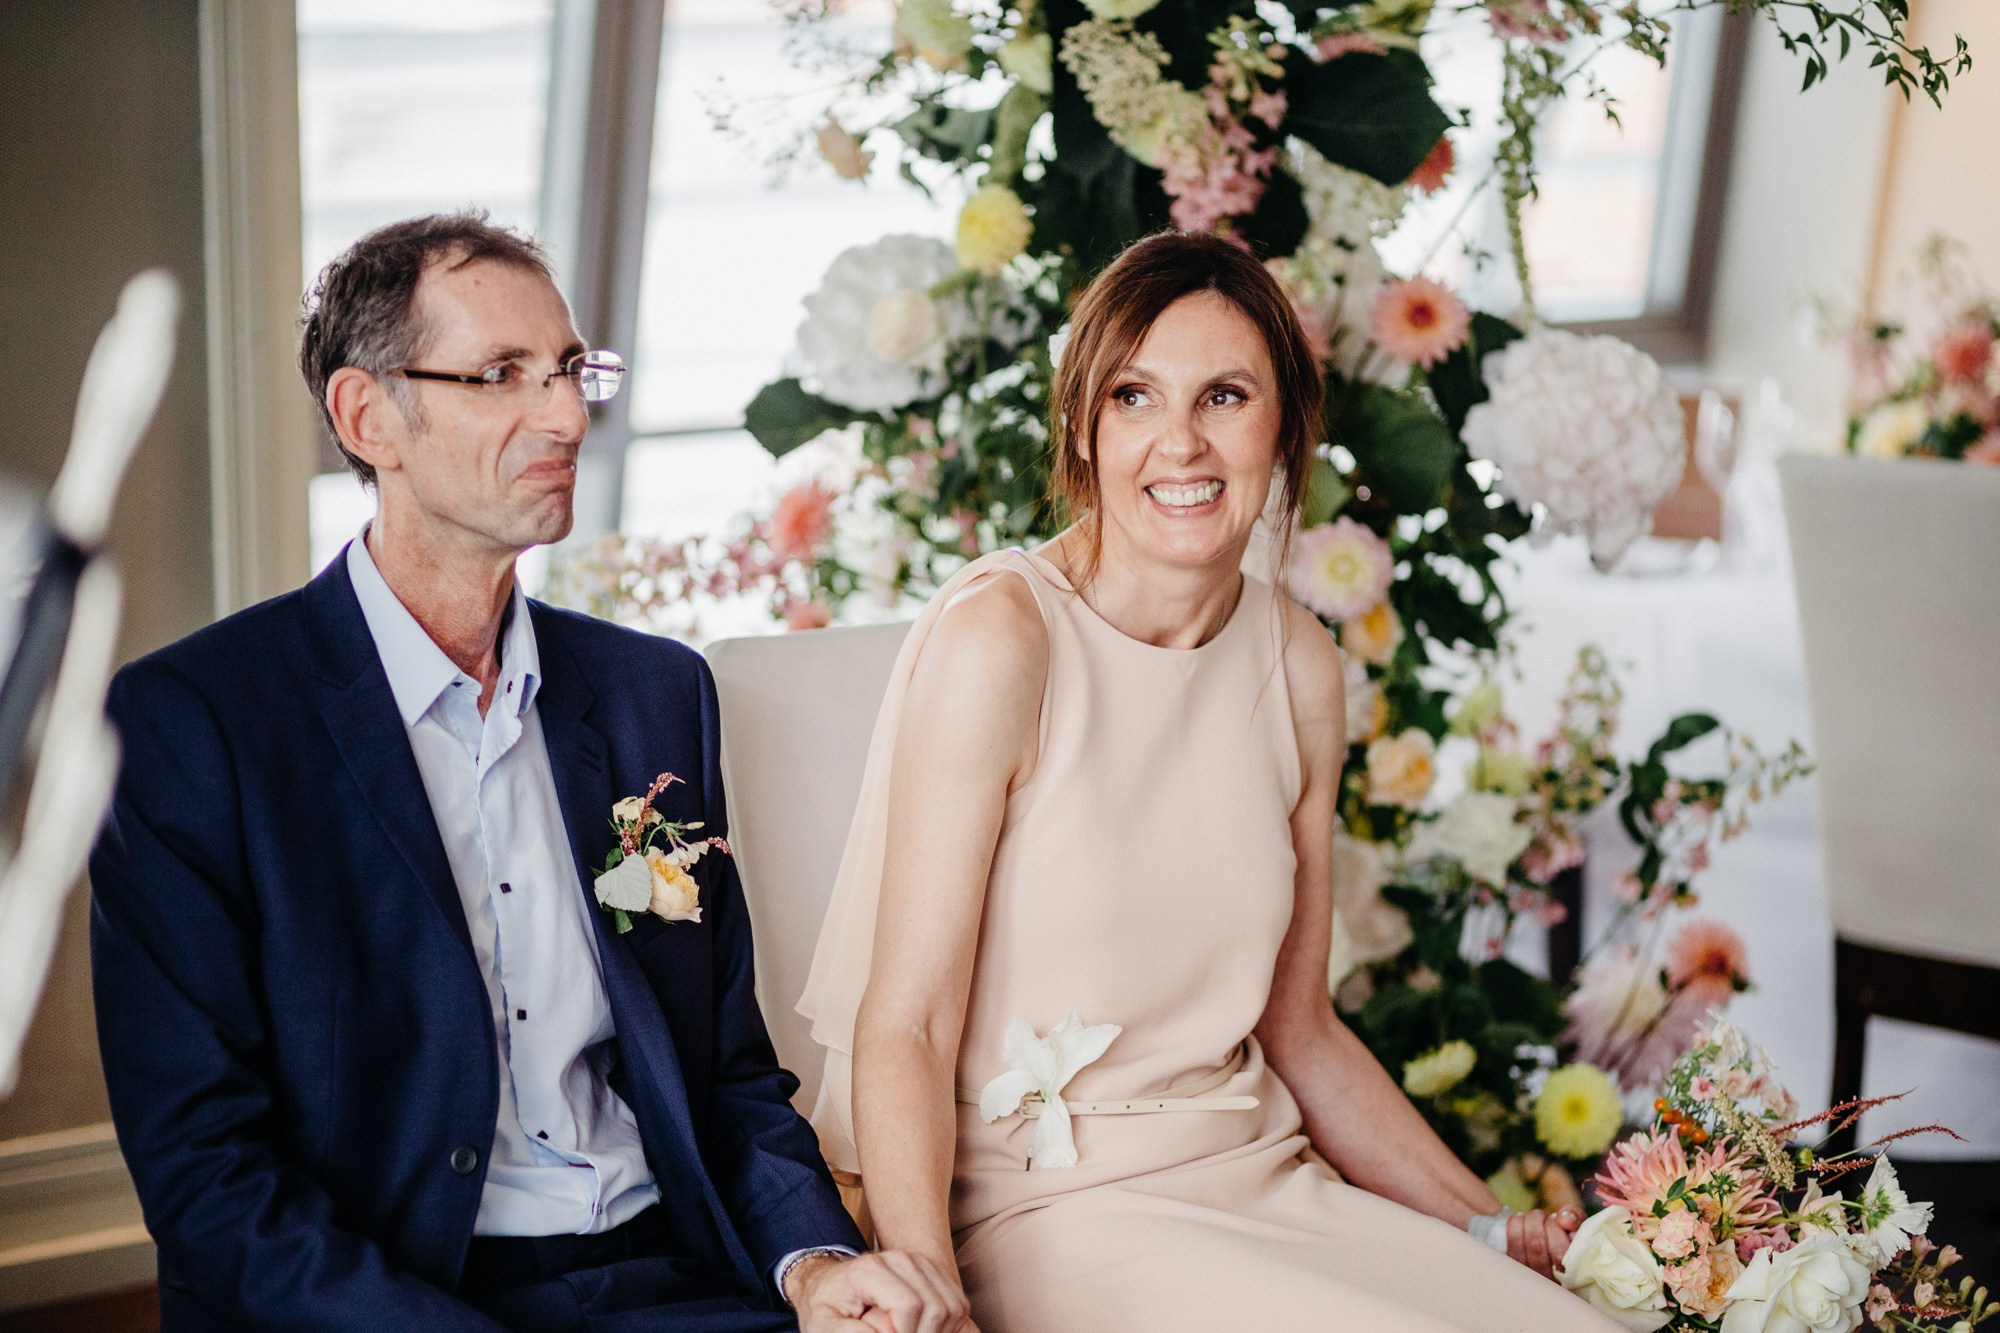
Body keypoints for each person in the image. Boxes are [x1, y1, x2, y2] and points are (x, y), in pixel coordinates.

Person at [89, 213, 968, 1333]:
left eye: (568, 370)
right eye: (501, 374)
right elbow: (209, 1179)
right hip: (392, 1302)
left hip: (670, 1277)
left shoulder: (654, 694)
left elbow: (727, 1074)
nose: (565, 415)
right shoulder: (195, 725)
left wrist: (813, 1262)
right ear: (367, 417)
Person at [799, 230, 1619, 1331]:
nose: (1179, 442)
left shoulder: (1299, 662)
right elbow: (907, 1021)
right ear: (1082, 427)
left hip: (1263, 1180)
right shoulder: (1004, 640)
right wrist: (927, 1287)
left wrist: (1486, 1228)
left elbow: (1301, 1028)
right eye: (1133, 397)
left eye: (1223, 397)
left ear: (1284, 427)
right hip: (1052, 1210)